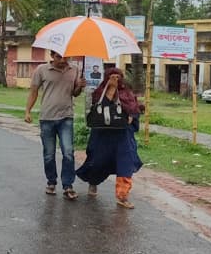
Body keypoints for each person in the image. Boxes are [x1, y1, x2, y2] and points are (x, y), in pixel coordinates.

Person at [75, 68, 142, 209]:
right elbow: (99, 108)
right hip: (103, 136)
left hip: (123, 136)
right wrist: (111, 89)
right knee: (98, 162)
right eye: (112, 77)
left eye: (118, 77)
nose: (116, 79)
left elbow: (134, 108)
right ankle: (93, 182)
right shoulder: (100, 92)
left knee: (125, 164)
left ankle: (122, 196)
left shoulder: (127, 92)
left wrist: (132, 116)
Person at [24, 50, 87, 200]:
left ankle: (68, 185)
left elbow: (74, 93)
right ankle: (51, 182)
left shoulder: (74, 70)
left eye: (66, 57)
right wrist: (27, 111)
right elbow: (34, 92)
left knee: (68, 152)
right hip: (47, 117)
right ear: (52, 56)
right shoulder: (41, 70)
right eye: (59, 57)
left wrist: (80, 86)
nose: (63, 60)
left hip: (66, 117)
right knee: (48, 154)